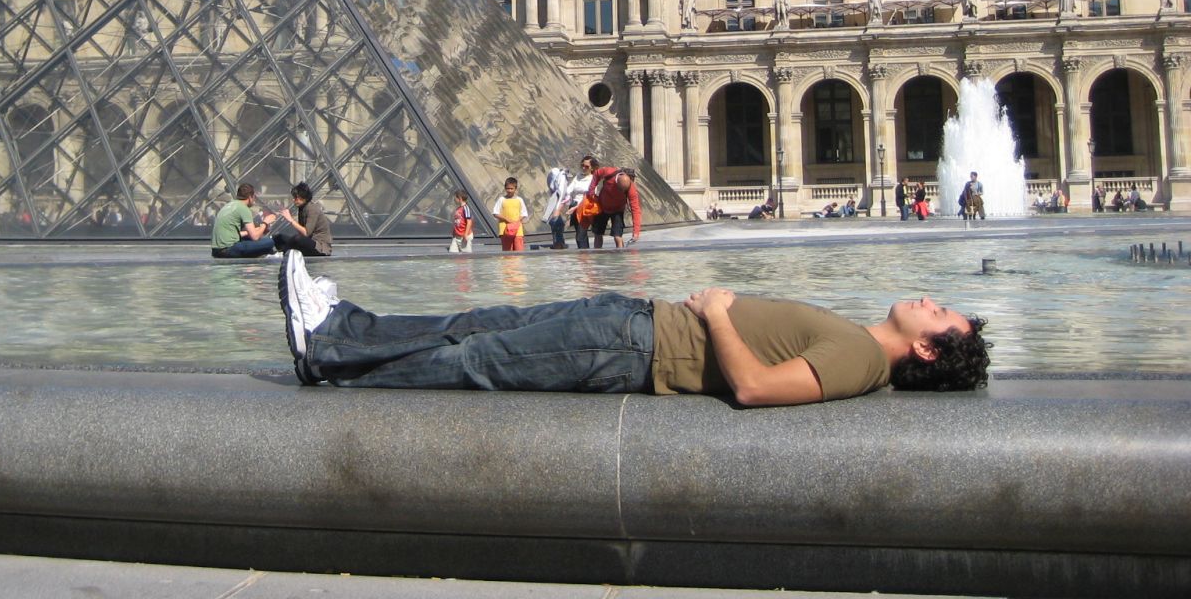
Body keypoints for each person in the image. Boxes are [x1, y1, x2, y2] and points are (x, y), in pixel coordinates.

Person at [278, 253, 991, 403]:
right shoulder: (858, 342)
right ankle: (341, 325)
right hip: (636, 321)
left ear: (927, 350)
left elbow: (754, 387)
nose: (929, 299)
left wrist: (716, 313)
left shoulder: (860, 360)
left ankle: (329, 359)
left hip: (636, 348)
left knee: (480, 358)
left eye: (939, 313)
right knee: (479, 321)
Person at [575, 165, 640, 248]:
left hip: (618, 210)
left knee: (617, 236)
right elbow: (597, 174)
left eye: (624, 190)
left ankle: (620, 253)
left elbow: (636, 209)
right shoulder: (609, 172)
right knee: (598, 234)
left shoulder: (631, 189)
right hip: (602, 207)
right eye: (620, 189)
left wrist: (636, 233)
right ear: (617, 182)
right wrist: (591, 191)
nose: (622, 191)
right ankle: (597, 253)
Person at [209, 181, 277, 259]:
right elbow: (255, 237)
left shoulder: (229, 205)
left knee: (252, 239)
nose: (254, 200)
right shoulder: (243, 208)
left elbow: (234, 234)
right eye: (254, 197)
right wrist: (265, 223)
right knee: (269, 242)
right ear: (250, 197)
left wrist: (256, 230)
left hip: (216, 251)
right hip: (229, 250)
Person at [272, 181, 333, 257]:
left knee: (297, 239)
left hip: (320, 247)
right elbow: (301, 231)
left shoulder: (312, 209)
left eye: (296, 198)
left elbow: (306, 233)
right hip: (308, 242)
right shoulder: (302, 208)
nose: (293, 200)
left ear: (304, 198)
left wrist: (290, 219)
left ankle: (284, 253)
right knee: (279, 237)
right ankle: (282, 251)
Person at [563, 156, 597, 249]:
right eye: (582, 165)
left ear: (592, 168)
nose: (583, 168)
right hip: (574, 206)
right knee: (580, 233)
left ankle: (584, 254)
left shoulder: (593, 179)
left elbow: (590, 197)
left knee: (580, 235)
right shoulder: (578, 176)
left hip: (584, 207)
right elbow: (569, 190)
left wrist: (575, 207)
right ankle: (585, 254)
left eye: (586, 166)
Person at [493, 177, 528, 252]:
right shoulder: (501, 199)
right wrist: (506, 219)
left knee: (519, 250)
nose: (509, 190)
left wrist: (517, 221)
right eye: (507, 188)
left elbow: (524, 213)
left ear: (515, 188)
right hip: (505, 229)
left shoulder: (519, 200)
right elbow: (495, 213)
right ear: (505, 188)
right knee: (507, 251)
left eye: (511, 188)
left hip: (517, 229)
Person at [543, 167, 571, 249]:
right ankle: (558, 243)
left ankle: (559, 242)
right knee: (556, 222)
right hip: (558, 198)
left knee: (558, 222)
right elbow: (560, 193)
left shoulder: (560, 178)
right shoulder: (560, 179)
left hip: (558, 198)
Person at [448, 189, 475, 254]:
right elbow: (456, 222)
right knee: (452, 253)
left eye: (455, 198)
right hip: (457, 236)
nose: (454, 199)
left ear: (459, 198)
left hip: (465, 237)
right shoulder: (458, 209)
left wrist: (466, 234)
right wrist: (454, 232)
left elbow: (469, 222)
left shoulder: (466, 208)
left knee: (466, 255)